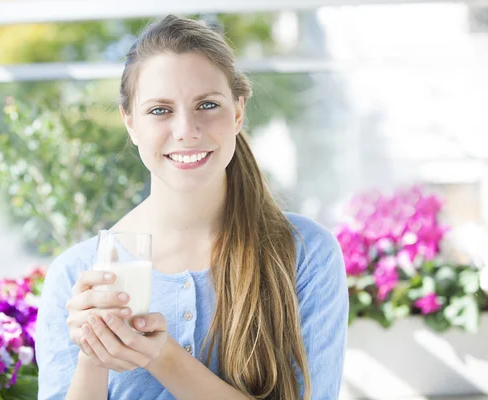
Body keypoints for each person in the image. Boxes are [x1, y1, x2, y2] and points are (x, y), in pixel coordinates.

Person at [35, 14, 348, 400]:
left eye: (207, 104)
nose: (185, 129)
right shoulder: (77, 275)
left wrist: (164, 357)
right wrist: (94, 356)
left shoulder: (305, 253)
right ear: (130, 123)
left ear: (237, 112)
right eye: (159, 110)